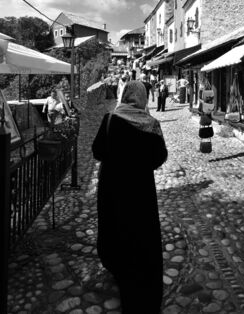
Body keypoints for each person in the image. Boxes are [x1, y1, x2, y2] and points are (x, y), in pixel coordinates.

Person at [92, 81, 167, 314]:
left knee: (115, 228)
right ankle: (142, 279)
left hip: (112, 187)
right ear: (143, 98)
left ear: (125, 95)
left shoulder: (111, 119)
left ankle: (117, 266)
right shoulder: (151, 124)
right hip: (139, 191)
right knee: (140, 233)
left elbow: (97, 151)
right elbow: (159, 157)